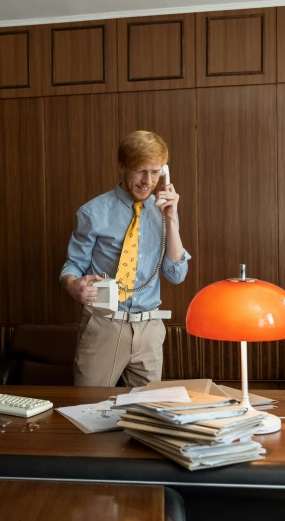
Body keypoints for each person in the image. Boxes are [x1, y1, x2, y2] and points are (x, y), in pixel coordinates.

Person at [60, 130, 191, 387]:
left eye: (155, 172)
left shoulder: (163, 213)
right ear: (122, 166)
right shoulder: (93, 212)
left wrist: (172, 220)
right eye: (140, 171)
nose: (147, 181)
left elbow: (176, 275)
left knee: (147, 413)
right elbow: (73, 263)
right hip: (105, 324)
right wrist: (72, 284)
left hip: (150, 328)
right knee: (88, 406)